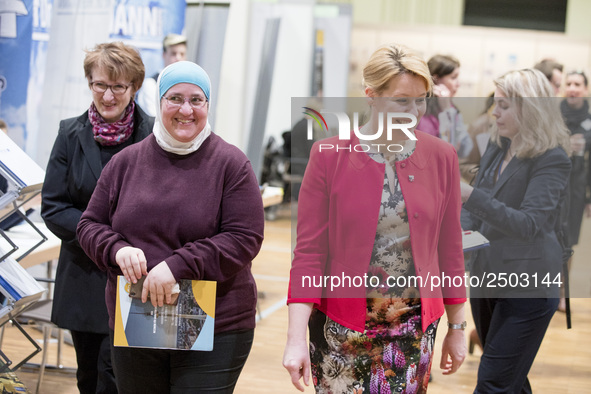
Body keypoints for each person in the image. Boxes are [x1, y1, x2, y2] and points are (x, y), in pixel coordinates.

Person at [283, 43, 467, 393]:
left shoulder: (442, 157)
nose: (413, 111)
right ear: (371, 95)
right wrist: (294, 339)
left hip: (413, 330)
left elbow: (451, 251)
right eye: (402, 100)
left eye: (421, 99)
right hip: (342, 328)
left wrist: (457, 329)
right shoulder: (328, 156)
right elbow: (308, 255)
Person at [76, 61, 264, 393]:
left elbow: (244, 238)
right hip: (139, 318)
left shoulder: (231, 164)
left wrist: (177, 266)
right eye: (175, 98)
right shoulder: (126, 162)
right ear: (160, 102)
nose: (186, 110)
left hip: (215, 324)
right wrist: (117, 249)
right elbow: (89, 225)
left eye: (196, 100)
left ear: (208, 105)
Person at [41, 41, 154, 394]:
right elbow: (54, 206)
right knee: (89, 376)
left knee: (119, 378)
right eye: (100, 85)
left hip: (138, 278)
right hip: (86, 276)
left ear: (134, 87)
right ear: (89, 83)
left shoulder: (153, 136)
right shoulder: (69, 134)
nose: (108, 96)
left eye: (118, 86)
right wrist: (105, 242)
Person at [460, 69, 571, 393]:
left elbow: (529, 224)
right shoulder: (498, 144)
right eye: (496, 104)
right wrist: (464, 239)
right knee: (510, 378)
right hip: (487, 276)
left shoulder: (553, 159)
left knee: (493, 382)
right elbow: (473, 208)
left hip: (529, 285)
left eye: (504, 106)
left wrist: (470, 195)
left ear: (531, 108)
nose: (495, 113)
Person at [558, 70, 591, 312]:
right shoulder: (554, 113)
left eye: (577, 84)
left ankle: (562, 293)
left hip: (578, 188)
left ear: (586, 89)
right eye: (568, 83)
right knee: (550, 237)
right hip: (554, 184)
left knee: (568, 242)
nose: (572, 88)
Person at [416, 54, 473, 158]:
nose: (458, 84)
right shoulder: (420, 110)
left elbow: (466, 150)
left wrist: (447, 110)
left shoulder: (451, 108)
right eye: (453, 78)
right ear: (436, 79)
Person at [136, 33, 187, 116]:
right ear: (164, 55)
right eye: (173, 53)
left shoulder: (187, 86)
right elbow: (154, 119)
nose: (178, 58)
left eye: (182, 54)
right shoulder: (151, 84)